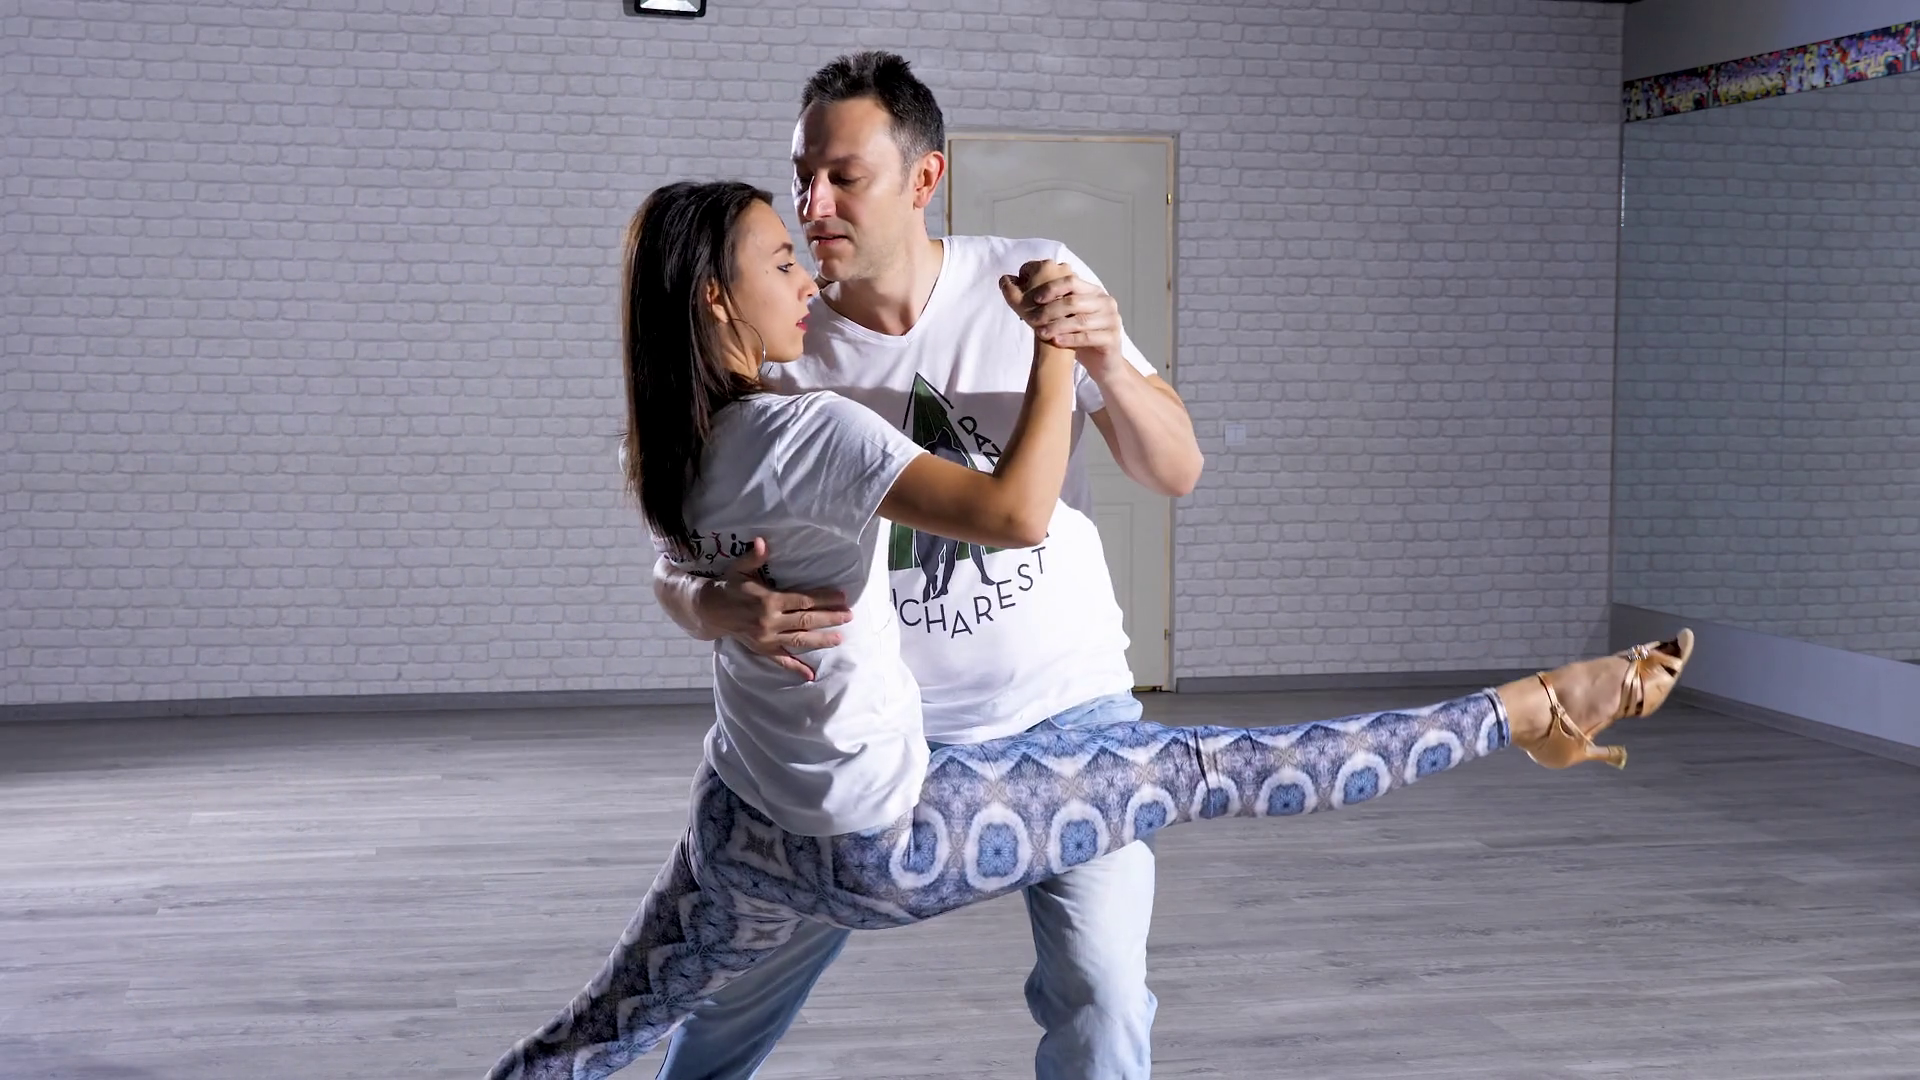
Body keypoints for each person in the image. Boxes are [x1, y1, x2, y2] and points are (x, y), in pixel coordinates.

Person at [481, 179, 1695, 1080]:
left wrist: (704, 599)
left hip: (742, 817)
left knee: (599, 1033)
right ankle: (1531, 708)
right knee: (1218, 766)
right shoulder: (814, 421)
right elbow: (1016, 514)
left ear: (920, 177)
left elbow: (679, 557)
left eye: (835, 186)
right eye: (782, 248)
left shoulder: (671, 440)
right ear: (716, 297)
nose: (808, 253)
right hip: (880, 835)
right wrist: (1052, 352)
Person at [647, 51, 1201, 1080]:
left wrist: (1106, 355)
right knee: (725, 1002)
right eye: (802, 176)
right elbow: (676, 555)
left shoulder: (1036, 277)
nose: (813, 204)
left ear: (924, 178)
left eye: (843, 176)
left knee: (1104, 999)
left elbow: (1175, 469)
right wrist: (707, 605)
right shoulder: (783, 342)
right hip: (867, 749)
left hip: (1067, 712)